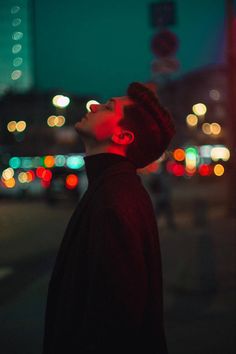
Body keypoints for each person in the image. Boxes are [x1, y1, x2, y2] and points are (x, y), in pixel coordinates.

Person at [43, 82, 175, 354]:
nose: (94, 106)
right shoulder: (115, 189)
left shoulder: (114, 200)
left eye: (108, 107)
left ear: (123, 137)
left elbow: (115, 324)